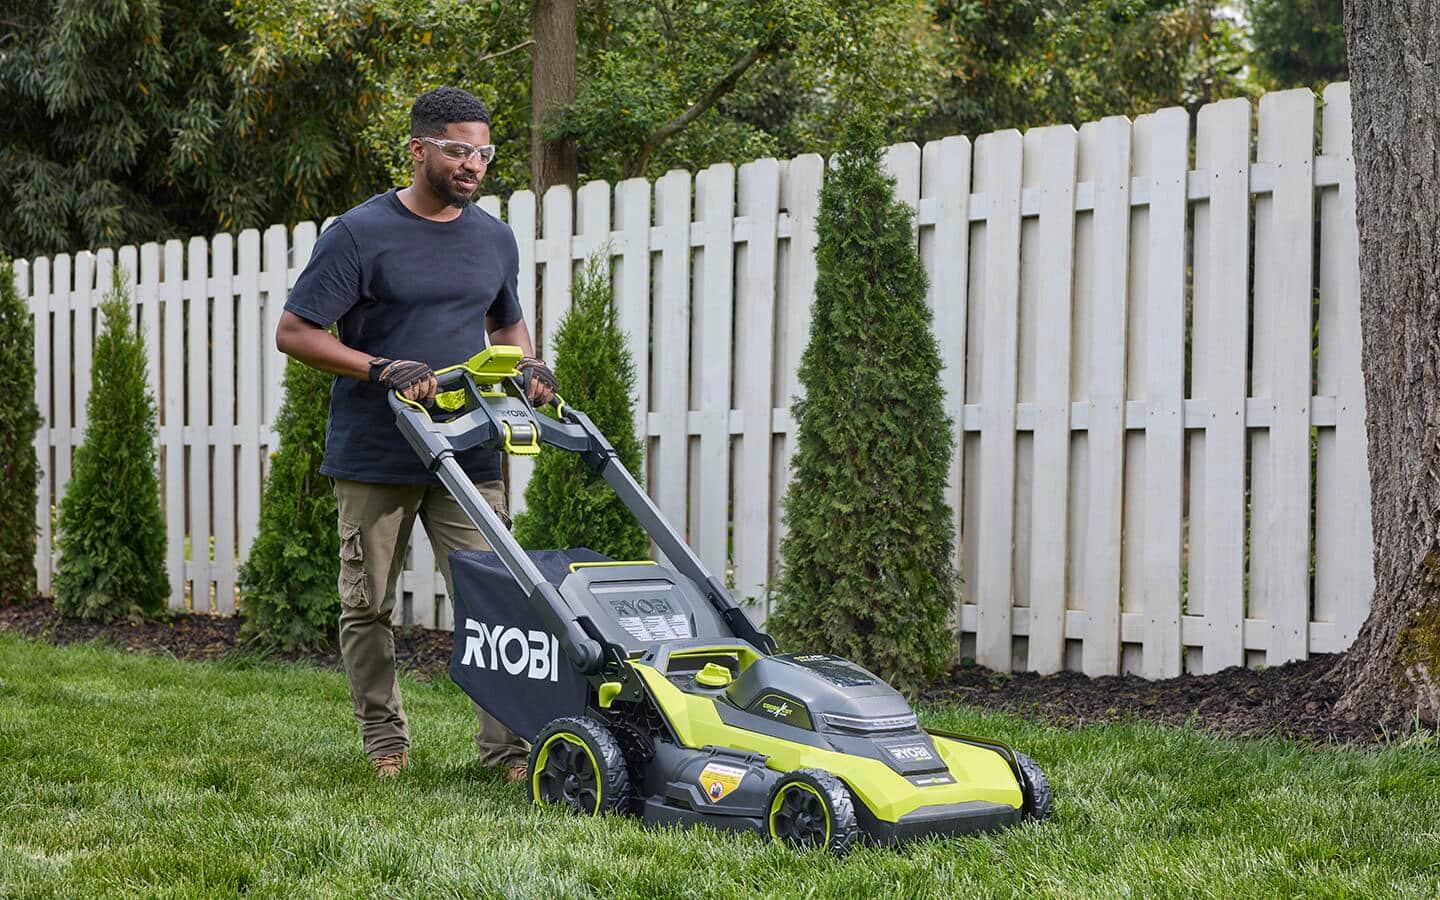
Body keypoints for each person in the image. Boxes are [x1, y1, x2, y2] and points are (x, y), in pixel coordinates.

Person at [274, 87, 556, 781]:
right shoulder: (359, 233)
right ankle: (384, 740)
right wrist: (377, 367)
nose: (473, 165)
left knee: (497, 597)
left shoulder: (493, 236)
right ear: (419, 149)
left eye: (483, 152)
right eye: (458, 150)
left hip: (468, 446)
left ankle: (507, 750)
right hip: (378, 449)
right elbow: (295, 332)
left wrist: (527, 365)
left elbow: (506, 320)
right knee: (367, 602)